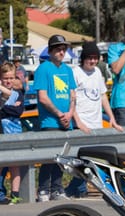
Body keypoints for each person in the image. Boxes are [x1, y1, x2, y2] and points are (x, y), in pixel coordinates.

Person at [65, 41, 123, 198]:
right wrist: (78, 122)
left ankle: (79, 190)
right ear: (83, 58)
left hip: (96, 123)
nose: (92, 61)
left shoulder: (97, 72)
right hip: (82, 123)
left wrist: (111, 118)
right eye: (89, 58)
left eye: (95, 58)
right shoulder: (76, 72)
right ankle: (74, 189)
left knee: (91, 161)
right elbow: (72, 99)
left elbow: (103, 95)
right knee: (84, 162)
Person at [34, 34, 77, 202]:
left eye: (63, 49)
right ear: (51, 51)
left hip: (67, 120)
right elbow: (43, 97)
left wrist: (70, 113)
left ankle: (57, 189)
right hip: (50, 121)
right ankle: (44, 190)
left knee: (62, 158)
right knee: (50, 157)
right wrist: (59, 114)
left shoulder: (67, 70)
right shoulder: (44, 69)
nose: (61, 52)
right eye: (58, 49)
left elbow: (73, 95)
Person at [0, 62, 24, 204]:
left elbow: (19, 111)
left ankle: (15, 194)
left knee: (15, 165)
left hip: (15, 133)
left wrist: (4, 108)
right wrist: (9, 108)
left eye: (11, 78)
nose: (8, 81)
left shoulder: (18, 94)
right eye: (5, 78)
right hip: (2, 133)